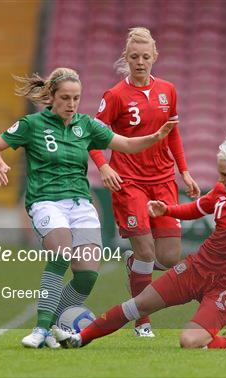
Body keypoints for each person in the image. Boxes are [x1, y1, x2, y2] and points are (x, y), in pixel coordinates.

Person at [0, 67, 177, 349]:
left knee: (86, 275)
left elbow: (125, 144)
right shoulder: (31, 125)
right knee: (61, 254)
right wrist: (0, 164)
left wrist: (156, 136)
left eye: (76, 98)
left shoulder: (86, 125)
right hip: (46, 201)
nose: (71, 104)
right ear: (52, 96)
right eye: (65, 98)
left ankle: (50, 329)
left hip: (81, 205)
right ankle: (40, 330)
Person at [53, 132, 226, 349]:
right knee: (138, 305)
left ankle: (225, 342)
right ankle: (80, 338)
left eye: (225, 174)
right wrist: (167, 210)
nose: (221, 179)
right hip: (198, 267)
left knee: (189, 341)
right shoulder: (223, 190)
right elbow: (197, 208)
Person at [88, 27, 200, 337]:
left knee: (168, 258)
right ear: (126, 57)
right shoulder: (114, 95)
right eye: (134, 57)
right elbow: (93, 137)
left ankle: (134, 263)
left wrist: (185, 171)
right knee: (148, 254)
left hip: (164, 181)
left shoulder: (168, 90)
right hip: (129, 181)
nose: (140, 62)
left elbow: (173, 132)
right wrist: (103, 166)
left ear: (155, 57)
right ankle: (142, 321)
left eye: (145, 57)